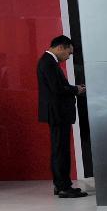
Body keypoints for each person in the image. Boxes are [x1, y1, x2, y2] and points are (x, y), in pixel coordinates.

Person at [37, 35, 87, 198]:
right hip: (57, 113)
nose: (69, 56)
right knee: (60, 150)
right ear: (61, 47)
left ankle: (62, 184)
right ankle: (63, 186)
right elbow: (58, 88)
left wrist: (72, 89)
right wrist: (76, 90)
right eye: (69, 53)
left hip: (57, 113)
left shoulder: (48, 61)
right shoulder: (48, 62)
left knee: (60, 149)